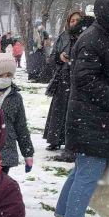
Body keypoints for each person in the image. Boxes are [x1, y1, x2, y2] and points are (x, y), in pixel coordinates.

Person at [48, 0, 109, 217]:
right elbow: (87, 80)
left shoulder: (108, 36)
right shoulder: (94, 39)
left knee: (80, 172)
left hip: (99, 121)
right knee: (88, 174)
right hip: (92, 121)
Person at [44, 10, 85, 151]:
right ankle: (55, 139)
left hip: (79, 78)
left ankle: (71, 141)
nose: (74, 23)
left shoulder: (87, 36)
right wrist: (60, 57)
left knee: (74, 111)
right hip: (63, 78)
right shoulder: (64, 36)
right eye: (72, 20)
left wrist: (74, 60)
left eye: (77, 20)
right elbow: (52, 57)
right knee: (58, 109)